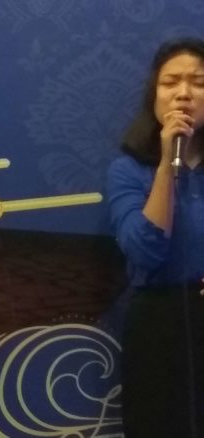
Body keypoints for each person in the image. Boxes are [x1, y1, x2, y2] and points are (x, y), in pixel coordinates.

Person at [106, 37, 204, 437]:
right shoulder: (128, 171)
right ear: (154, 96)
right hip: (159, 323)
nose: (184, 93)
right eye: (171, 82)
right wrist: (167, 165)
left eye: (198, 82)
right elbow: (144, 250)